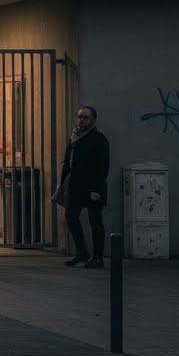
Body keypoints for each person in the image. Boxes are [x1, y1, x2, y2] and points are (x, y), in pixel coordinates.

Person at [60, 105, 111, 269]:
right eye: (79, 116)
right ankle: (82, 252)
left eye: (85, 117)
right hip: (75, 186)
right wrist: (63, 184)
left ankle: (98, 257)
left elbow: (103, 166)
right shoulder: (74, 137)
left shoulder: (99, 139)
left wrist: (97, 190)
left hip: (92, 188)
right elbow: (68, 162)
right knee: (70, 217)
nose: (81, 120)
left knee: (95, 222)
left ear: (93, 120)